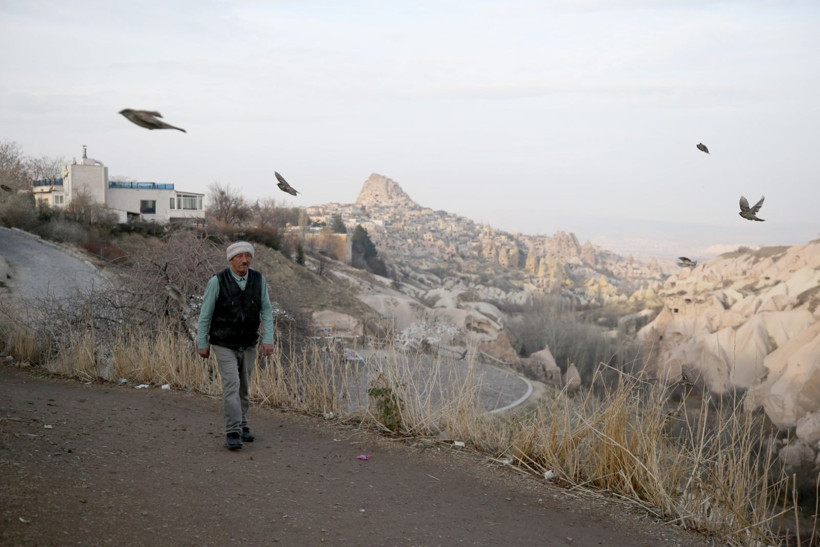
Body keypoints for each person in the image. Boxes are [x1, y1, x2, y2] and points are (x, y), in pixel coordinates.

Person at [197, 241, 275, 450]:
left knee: (244, 388)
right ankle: (233, 431)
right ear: (231, 259)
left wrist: (268, 339)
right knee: (231, 384)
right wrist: (202, 342)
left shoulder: (259, 280)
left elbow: (266, 311)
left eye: (247, 256)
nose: (244, 260)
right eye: (239, 256)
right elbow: (205, 314)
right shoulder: (217, 281)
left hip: (248, 342)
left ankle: (242, 422)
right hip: (223, 342)